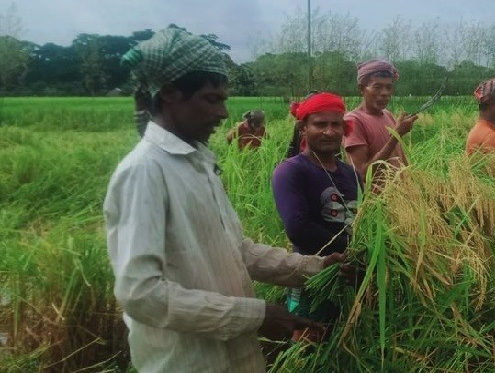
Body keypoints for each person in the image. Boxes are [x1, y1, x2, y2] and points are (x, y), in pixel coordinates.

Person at [106, 26, 347, 372]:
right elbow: (142, 295)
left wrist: (316, 267)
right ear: (171, 94)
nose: (223, 114)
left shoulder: (199, 165)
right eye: (212, 99)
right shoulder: (145, 171)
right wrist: (256, 315)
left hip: (235, 357)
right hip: (189, 362)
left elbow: (238, 251)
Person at [272, 92, 360, 343]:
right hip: (312, 279)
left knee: (344, 344)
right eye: (320, 124)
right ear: (304, 128)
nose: (329, 131)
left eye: (336, 124)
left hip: (349, 278)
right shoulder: (292, 171)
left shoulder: (349, 173)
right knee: (308, 344)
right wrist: (352, 251)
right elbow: (298, 228)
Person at [343, 59, 417, 184]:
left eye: (389, 87)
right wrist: (395, 136)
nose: (385, 93)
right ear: (362, 88)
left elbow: (399, 159)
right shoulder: (354, 121)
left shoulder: (387, 114)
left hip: (402, 199)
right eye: (377, 87)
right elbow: (361, 174)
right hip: (376, 202)